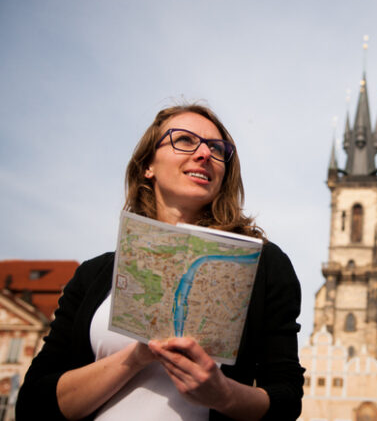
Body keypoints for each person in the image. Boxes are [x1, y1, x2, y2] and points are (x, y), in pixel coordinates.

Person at [16, 104, 305, 420]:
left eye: (217, 148)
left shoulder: (262, 266)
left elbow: (286, 400)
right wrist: (138, 356)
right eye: (184, 140)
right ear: (147, 166)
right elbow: (34, 405)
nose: (204, 154)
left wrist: (225, 395)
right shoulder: (95, 274)